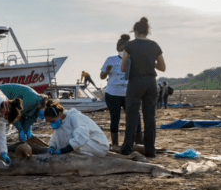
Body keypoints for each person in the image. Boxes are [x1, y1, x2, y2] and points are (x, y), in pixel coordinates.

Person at [120, 17, 166, 158]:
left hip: (136, 82)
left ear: (135, 31)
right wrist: (150, 63)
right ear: (147, 31)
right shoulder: (154, 45)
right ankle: (150, 150)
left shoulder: (130, 45)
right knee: (150, 118)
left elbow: (123, 67)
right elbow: (163, 67)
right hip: (151, 82)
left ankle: (127, 147)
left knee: (132, 117)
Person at [100, 34, 142, 149]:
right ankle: (115, 144)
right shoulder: (111, 60)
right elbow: (102, 76)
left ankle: (138, 143)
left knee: (135, 117)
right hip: (113, 94)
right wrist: (106, 71)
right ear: (118, 49)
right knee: (115, 118)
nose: (124, 51)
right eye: (122, 49)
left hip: (129, 94)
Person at [44, 101, 110, 157]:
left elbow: (81, 137)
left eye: (52, 121)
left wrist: (63, 150)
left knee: (78, 139)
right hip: (87, 145)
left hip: (99, 146)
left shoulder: (74, 117)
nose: (51, 124)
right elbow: (56, 136)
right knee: (64, 135)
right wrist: (52, 146)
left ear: (60, 114)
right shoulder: (61, 121)